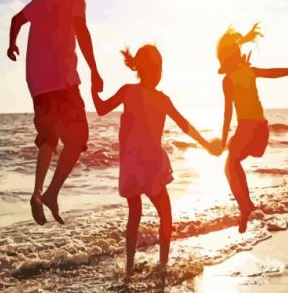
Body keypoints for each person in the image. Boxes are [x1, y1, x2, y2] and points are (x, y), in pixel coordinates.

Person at [91, 44, 220, 275]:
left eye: (160, 69)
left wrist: (93, 87)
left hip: (130, 165)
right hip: (149, 165)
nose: (159, 73)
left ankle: (129, 269)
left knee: (135, 215)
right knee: (166, 214)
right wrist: (207, 144)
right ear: (146, 70)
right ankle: (161, 265)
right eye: (157, 68)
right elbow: (185, 126)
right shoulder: (161, 99)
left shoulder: (128, 91)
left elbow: (100, 108)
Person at [6, 0, 103, 225]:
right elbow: (81, 31)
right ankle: (51, 193)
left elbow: (16, 20)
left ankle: (37, 192)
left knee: (49, 138)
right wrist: (95, 70)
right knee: (79, 137)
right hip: (63, 80)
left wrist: (11, 45)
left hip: (37, 84)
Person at [217, 23, 288, 233]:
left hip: (247, 129)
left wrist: (222, 139)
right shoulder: (248, 70)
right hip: (262, 132)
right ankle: (245, 205)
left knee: (230, 165)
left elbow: (227, 113)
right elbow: (272, 73)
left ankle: (245, 205)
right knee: (232, 164)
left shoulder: (228, 80)